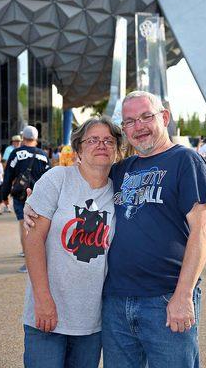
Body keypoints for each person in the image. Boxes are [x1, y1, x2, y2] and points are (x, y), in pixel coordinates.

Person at [25, 91, 206, 368]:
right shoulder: (121, 170)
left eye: (146, 117)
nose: (139, 126)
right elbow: (86, 176)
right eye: (130, 121)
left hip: (164, 298)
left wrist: (184, 295)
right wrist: (34, 202)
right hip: (115, 304)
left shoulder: (186, 161)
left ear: (164, 117)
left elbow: (202, 231)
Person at [23, 117, 122, 368]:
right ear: (78, 149)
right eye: (93, 140)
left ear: (117, 149)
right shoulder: (58, 178)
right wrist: (43, 300)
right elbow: (33, 240)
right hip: (47, 312)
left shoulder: (119, 193)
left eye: (108, 140)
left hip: (91, 321)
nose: (101, 145)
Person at [2, 125, 50, 273]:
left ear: (23, 138)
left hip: (21, 196)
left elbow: (8, 176)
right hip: (40, 196)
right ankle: (41, 259)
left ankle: (28, 262)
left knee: (24, 226)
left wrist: (4, 197)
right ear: (36, 139)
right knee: (39, 227)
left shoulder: (16, 153)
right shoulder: (43, 155)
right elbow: (49, 178)